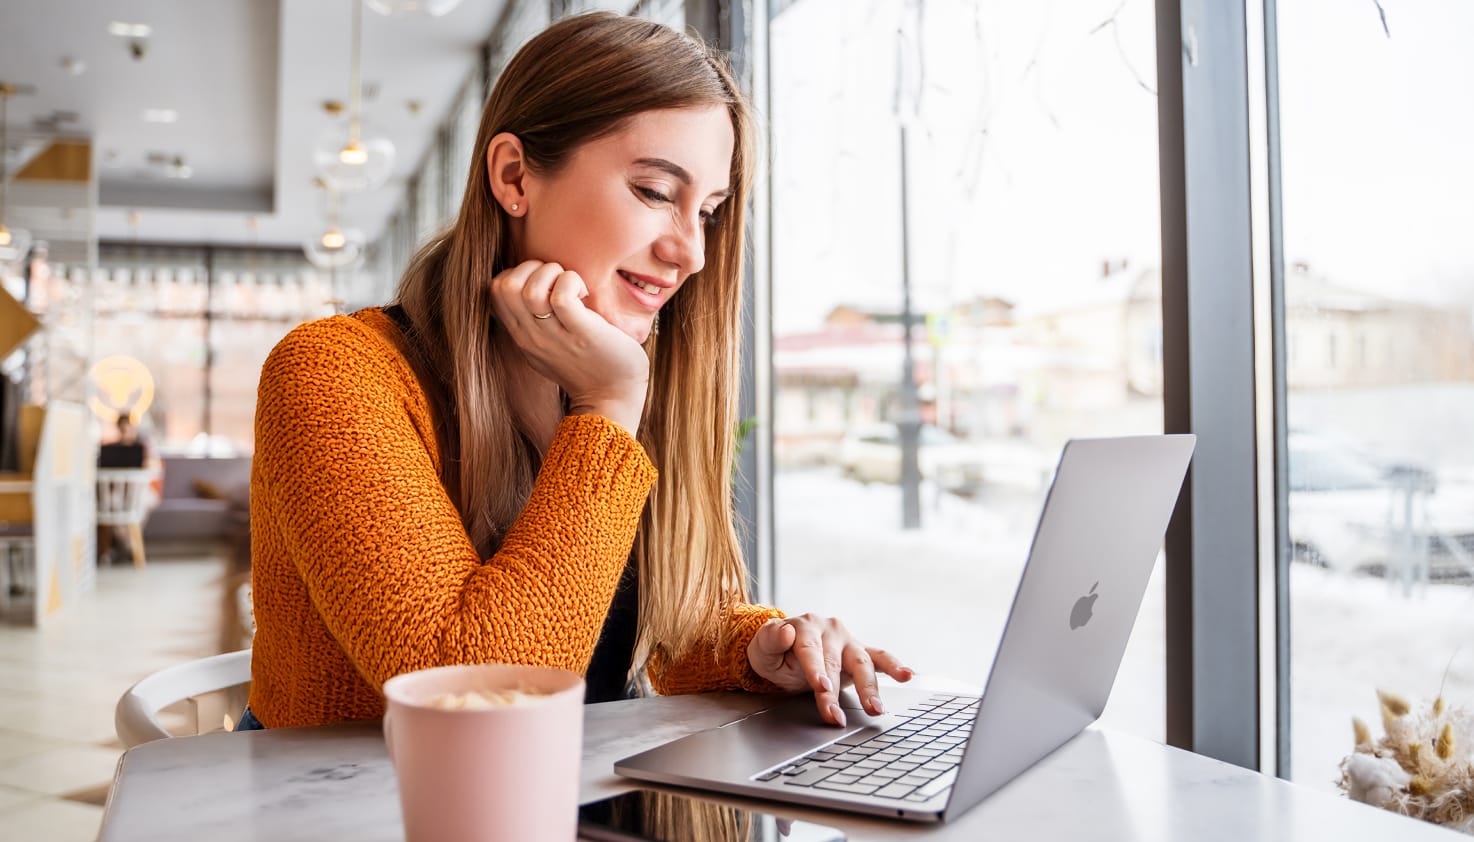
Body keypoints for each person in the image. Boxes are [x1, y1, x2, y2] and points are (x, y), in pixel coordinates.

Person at [242, 11, 910, 733]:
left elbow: (643, 624)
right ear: (513, 176)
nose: (691, 252)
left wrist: (753, 647)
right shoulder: (335, 373)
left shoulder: (614, 367)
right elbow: (477, 695)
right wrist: (606, 407)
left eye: (709, 212)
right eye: (656, 192)